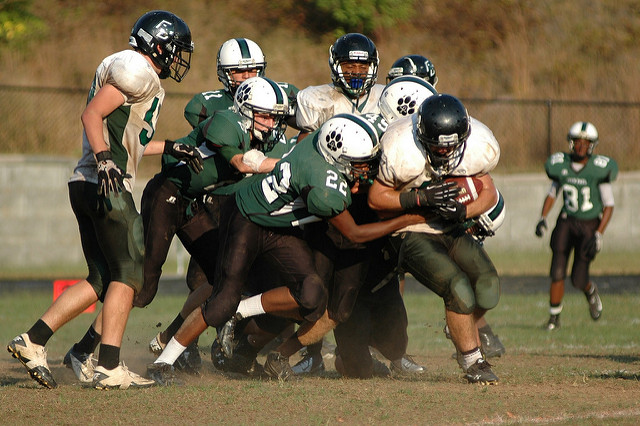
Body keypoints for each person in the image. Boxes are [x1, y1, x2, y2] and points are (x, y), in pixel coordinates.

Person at [146, 113, 427, 383]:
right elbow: (354, 232)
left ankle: (240, 310)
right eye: (360, 164)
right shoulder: (323, 185)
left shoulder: (322, 143)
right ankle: (163, 362)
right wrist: (407, 219)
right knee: (222, 300)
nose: (365, 169)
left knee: (312, 294)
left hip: (277, 224)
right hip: (246, 217)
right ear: (336, 159)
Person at [7, 10, 195, 389]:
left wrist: (171, 146)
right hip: (105, 181)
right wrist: (105, 158)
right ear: (157, 45)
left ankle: (34, 340)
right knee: (131, 273)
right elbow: (92, 114)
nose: (177, 59)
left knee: (100, 279)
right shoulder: (136, 70)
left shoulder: (138, 76)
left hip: (87, 181)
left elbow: (133, 139)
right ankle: (108, 365)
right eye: (174, 50)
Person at [368, 93, 502, 385]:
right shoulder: (402, 149)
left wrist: (464, 210)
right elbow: (376, 199)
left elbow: (489, 193)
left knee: (489, 285)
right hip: (410, 229)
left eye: (451, 147)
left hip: (448, 226)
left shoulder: (478, 146)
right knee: (458, 287)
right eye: (437, 148)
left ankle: (458, 325)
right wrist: (420, 197)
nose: (444, 154)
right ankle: (472, 361)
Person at [535, 121, 617, 330]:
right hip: (567, 220)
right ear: (571, 143)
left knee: (578, 279)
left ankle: (589, 290)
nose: (580, 146)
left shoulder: (599, 169)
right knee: (557, 270)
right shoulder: (561, 165)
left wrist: (599, 233)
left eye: (585, 142)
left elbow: (609, 204)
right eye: (577, 142)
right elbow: (553, 193)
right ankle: (554, 318)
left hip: (589, 224)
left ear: (592, 145)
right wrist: (543, 217)